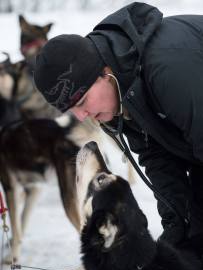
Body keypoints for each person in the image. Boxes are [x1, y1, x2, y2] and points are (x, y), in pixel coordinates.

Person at [34, 2, 203, 246]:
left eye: (82, 101)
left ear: (104, 72)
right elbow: (157, 156)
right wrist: (178, 228)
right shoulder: (118, 97)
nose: (82, 116)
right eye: (73, 110)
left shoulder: (167, 70)